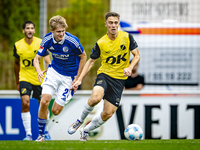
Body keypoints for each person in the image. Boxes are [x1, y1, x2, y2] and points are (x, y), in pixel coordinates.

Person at [68, 12, 140, 141]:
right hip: (105, 76)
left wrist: (130, 67)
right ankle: (79, 121)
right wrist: (79, 79)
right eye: (110, 23)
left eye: (115, 23)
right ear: (106, 24)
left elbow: (137, 56)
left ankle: (85, 130)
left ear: (118, 24)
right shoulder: (101, 43)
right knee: (95, 98)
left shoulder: (127, 37)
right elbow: (90, 61)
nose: (113, 25)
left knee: (107, 113)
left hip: (119, 81)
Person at [33, 15, 87, 141]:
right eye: (58, 31)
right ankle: (41, 135)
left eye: (63, 31)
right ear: (52, 31)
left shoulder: (72, 41)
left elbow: (83, 56)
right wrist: (38, 71)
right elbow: (36, 59)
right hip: (54, 72)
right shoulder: (47, 39)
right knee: (44, 101)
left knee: (55, 111)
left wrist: (78, 79)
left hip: (69, 77)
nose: (62, 34)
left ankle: (44, 131)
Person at [13, 21, 51, 140]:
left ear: (34, 31)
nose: (29, 30)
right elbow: (16, 64)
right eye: (27, 28)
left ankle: (45, 132)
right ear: (23, 31)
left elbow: (47, 61)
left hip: (40, 79)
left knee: (43, 105)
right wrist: (18, 82)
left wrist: (49, 77)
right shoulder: (18, 45)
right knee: (25, 103)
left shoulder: (40, 43)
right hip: (24, 78)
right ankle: (28, 134)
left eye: (32, 28)